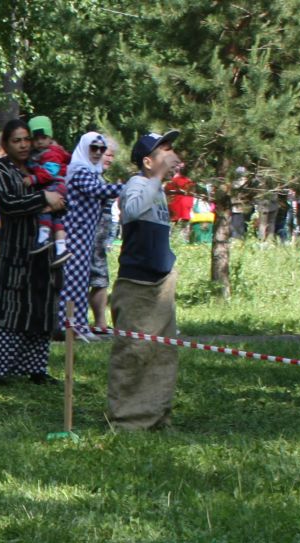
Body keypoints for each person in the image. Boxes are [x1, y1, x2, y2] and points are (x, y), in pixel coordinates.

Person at [0, 119, 66, 384]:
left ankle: (36, 370)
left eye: (26, 139)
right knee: (8, 309)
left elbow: (61, 192)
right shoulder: (1, 169)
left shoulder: (40, 165)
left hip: (43, 250)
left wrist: (55, 200)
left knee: (41, 307)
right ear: (5, 144)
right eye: (17, 140)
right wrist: (42, 199)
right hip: (15, 251)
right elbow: (10, 204)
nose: (23, 145)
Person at [104, 130, 184, 430]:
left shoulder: (157, 187)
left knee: (161, 353)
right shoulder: (137, 184)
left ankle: (155, 413)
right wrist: (158, 177)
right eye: (164, 150)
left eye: (171, 148)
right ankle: (128, 418)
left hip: (158, 284)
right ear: (148, 162)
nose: (171, 153)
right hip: (137, 283)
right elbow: (133, 211)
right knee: (134, 353)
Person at [58, 131, 121, 337]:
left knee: (81, 282)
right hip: (72, 234)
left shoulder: (91, 171)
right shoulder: (79, 170)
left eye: (102, 149)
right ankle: (66, 326)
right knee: (72, 282)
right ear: (84, 148)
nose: (98, 152)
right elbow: (96, 191)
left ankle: (80, 325)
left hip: (85, 236)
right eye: (94, 148)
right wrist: (131, 186)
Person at [27, 115, 71, 259]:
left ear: (50, 137)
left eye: (43, 138)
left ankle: (43, 237)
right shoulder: (44, 152)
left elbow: (49, 172)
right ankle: (61, 247)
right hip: (58, 186)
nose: (39, 142)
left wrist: (32, 178)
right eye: (36, 139)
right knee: (56, 217)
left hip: (54, 185)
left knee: (44, 209)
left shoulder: (52, 153)